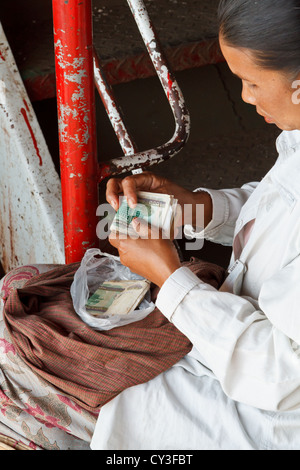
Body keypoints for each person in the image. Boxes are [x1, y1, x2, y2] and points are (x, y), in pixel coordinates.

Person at [91, 0, 300, 450]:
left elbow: (285, 378)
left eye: (251, 82)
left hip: (265, 417)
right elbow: (284, 206)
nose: (245, 97)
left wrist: (170, 279)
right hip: (229, 343)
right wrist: (196, 209)